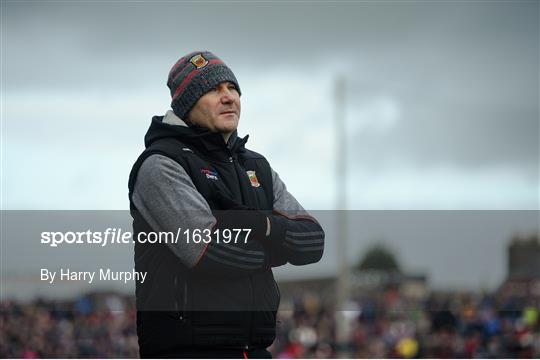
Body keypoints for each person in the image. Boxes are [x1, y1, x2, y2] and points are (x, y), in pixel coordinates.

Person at [128, 51, 325, 358]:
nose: (229, 97)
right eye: (213, 90)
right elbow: (207, 251)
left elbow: (313, 242)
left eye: (232, 89)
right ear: (186, 103)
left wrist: (263, 225)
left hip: (254, 349)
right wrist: (277, 247)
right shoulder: (161, 164)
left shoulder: (256, 166)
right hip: (187, 351)